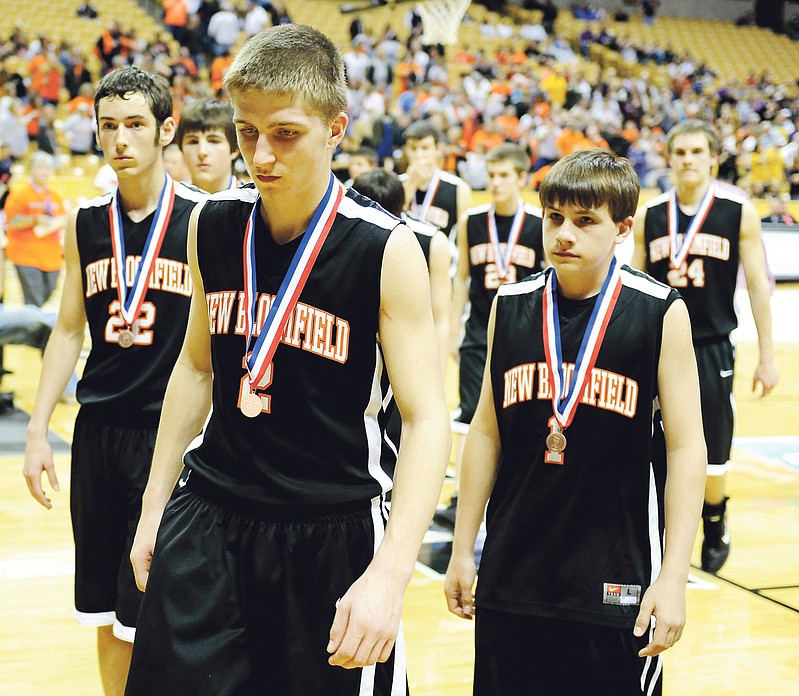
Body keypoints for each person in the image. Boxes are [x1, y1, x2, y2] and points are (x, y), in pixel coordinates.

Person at [125, 25, 450, 696]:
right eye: (247, 132)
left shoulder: (384, 249)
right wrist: (156, 503)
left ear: (336, 128)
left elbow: (425, 421)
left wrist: (390, 575)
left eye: (285, 133)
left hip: (330, 533)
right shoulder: (211, 225)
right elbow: (193, 368)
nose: (260, 155)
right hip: (210, 517)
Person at [444, 149, 707, 695]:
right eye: (555, 217)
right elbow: (486, 432)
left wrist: (674, 578)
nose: (564, 233)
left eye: (585, 221)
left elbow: (686, 449)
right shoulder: (510, 304)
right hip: (512, 573)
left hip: (614, 582)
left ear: (622, 228)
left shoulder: (659, 311)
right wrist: (462, 548)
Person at [22, 65, 206, 696]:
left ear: (165, 131)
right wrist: (39, 429)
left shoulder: (206, 221)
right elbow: (68, 330)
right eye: (109, 127)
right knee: (106, 613)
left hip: (171, 439)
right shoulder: (84, 222)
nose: (120, 139)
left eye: (135, 125)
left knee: (167, 605)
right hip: (98, 433)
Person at [632, 119, 779, 574]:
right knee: (648, 443)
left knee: (713, 450)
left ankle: (714, 519)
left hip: (712, 346)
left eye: (698, 152)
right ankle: (654, 525)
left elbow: (757, 286)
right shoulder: (650, 214)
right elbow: (632, 286)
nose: (689, 160)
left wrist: (768, 356)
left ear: (713, 157)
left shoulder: (738, 211)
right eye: (681, 153)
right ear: (669, 158)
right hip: (657, 348)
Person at [437, 143, 546, 529]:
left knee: (519, 421)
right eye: (491, 174)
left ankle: (515, 493)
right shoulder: (472, 222)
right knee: (469, 418)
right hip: (479, 337)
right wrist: (451, 330)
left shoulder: (538, 223)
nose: (495, 182)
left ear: (521, 179)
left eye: (503, 176)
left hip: (525, 340)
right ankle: (465, 498)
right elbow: (462, 279)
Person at [352, 168, 452, 484]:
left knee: (403, 436)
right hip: (357, 353)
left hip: (405, 357)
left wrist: (438, 373)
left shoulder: (429, 241)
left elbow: (441, 316)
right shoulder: (337, 236)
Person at [3, 151, 68, 307]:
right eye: (40, 167)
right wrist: (35, 219)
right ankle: (34, 331)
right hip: (26, 254)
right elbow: (12, 221)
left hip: (52, 256)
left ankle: (35, 329)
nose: (45, 172)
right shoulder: (20, 193)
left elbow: (62, 218)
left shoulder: (55, 196)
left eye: (48, 168)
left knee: (48, 294)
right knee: (34, 301)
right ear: (31, 169)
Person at [400, 120, 472, 241]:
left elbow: (464, 237)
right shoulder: (395, 184)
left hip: (441, 257)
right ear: (406, 150)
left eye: (425, 148)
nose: (419, 155)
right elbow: (388, 225)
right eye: (413, 148)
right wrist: (411, 185)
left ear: (438, 149)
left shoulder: (458, 188)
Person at [175, 97, 241, 194]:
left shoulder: (255, 202)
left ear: (235, 148)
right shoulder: (171, 200)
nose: (202, 152)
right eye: (193, 141)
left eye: (213, 141)